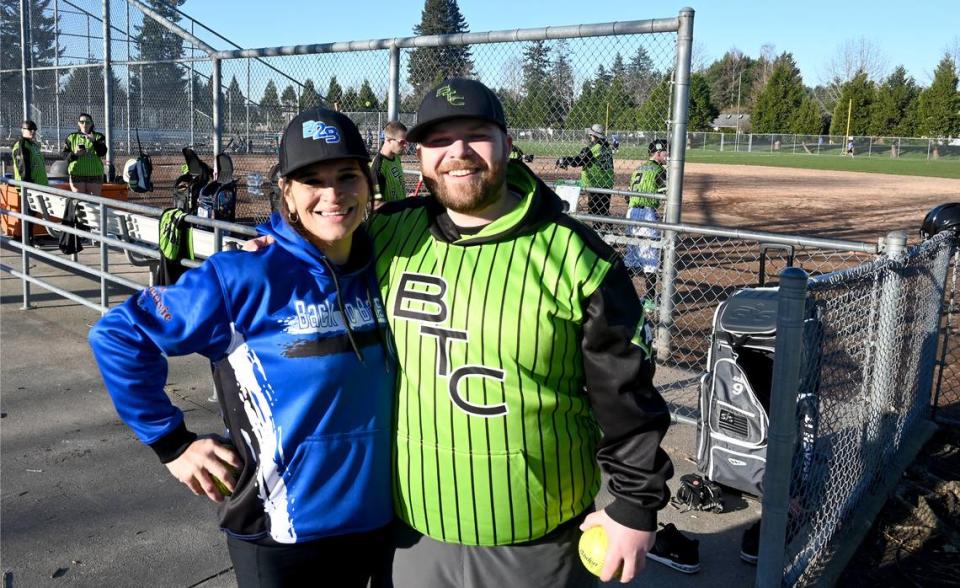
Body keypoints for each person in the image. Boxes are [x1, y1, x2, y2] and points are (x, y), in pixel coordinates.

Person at [373, 78, 675, 586]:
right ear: (418, 155)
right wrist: (265, 251)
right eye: (440, 140)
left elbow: (626, 394)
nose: (458, 152)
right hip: (411, 526)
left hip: (536, 535)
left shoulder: (577, 255)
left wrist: (636, 504)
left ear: (507, 146)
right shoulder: (386, 234)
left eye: (477, 134)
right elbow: (310, 256)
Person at [89, 107, 395, 587]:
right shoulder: (242, 275)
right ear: (287, 193)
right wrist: (172, 445)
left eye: (347, 176)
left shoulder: (388, 265)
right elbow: (120, 334)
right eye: (311, 179)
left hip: (378, 524)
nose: (332, 194)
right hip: (281, 533)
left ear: (368, 183)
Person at [624, 140, 668, 289]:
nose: (667, 155)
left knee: (631, 255)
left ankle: (621, 292)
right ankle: (649, 299)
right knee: (650, 256)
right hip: (646, 213)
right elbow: (667, 193)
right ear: (658, 153)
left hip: (631, 212)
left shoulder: (639, 169)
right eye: (665, 152)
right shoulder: (659, 171)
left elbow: (627, 197)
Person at [556, 123, 615, 216]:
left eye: (591, 135)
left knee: (594, 212)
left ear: (594, 135)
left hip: (596, 183)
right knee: (603, 211)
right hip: (607, 182)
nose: (590, 137)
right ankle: (607, 228)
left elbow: (578, 161)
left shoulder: (594, 149)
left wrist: (565, 160)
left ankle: (599, 229)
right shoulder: (607, 147)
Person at [62, 113, 107, 195]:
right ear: (78, 123)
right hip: (77, 174)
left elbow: (102, 152)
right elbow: (64, 155)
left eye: (87, 122)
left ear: (92, 123)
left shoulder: (98, 136)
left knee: (94, 202)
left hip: (94, 174)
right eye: (82, 122)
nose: (85, 124)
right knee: (80, 202)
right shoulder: (72, 137)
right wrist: (75, 154)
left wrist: (94, 141)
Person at [370, 121, 408, 207]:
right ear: (389, 140)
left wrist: (407, 200)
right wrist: (405, 204)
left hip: (402, 215)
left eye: (406, 141)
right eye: (402, 142)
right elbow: (376, 205)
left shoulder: (396, 157)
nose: (405, 145)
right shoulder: (378, 168)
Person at [12, 119, 48, 186]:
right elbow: (23, 171)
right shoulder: (22, 146)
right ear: (22, 130)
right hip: (30, 190)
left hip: (40, 186)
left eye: (35, 129)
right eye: (30, 129)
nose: (33, 131)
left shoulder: (33, 145)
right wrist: (30, 187)